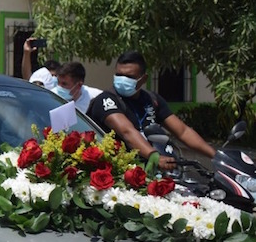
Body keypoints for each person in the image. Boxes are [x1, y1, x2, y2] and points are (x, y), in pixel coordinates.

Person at [87, 51, 216, 171]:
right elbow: (127, 132)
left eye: (129, 76)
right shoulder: (106, 100)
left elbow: (183, 131)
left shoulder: (151, 99)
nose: (122, 79)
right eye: (119, 75)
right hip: (118, 173)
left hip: (152, 170)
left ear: (143, 79)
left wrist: (215, 157)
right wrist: (154, 156)